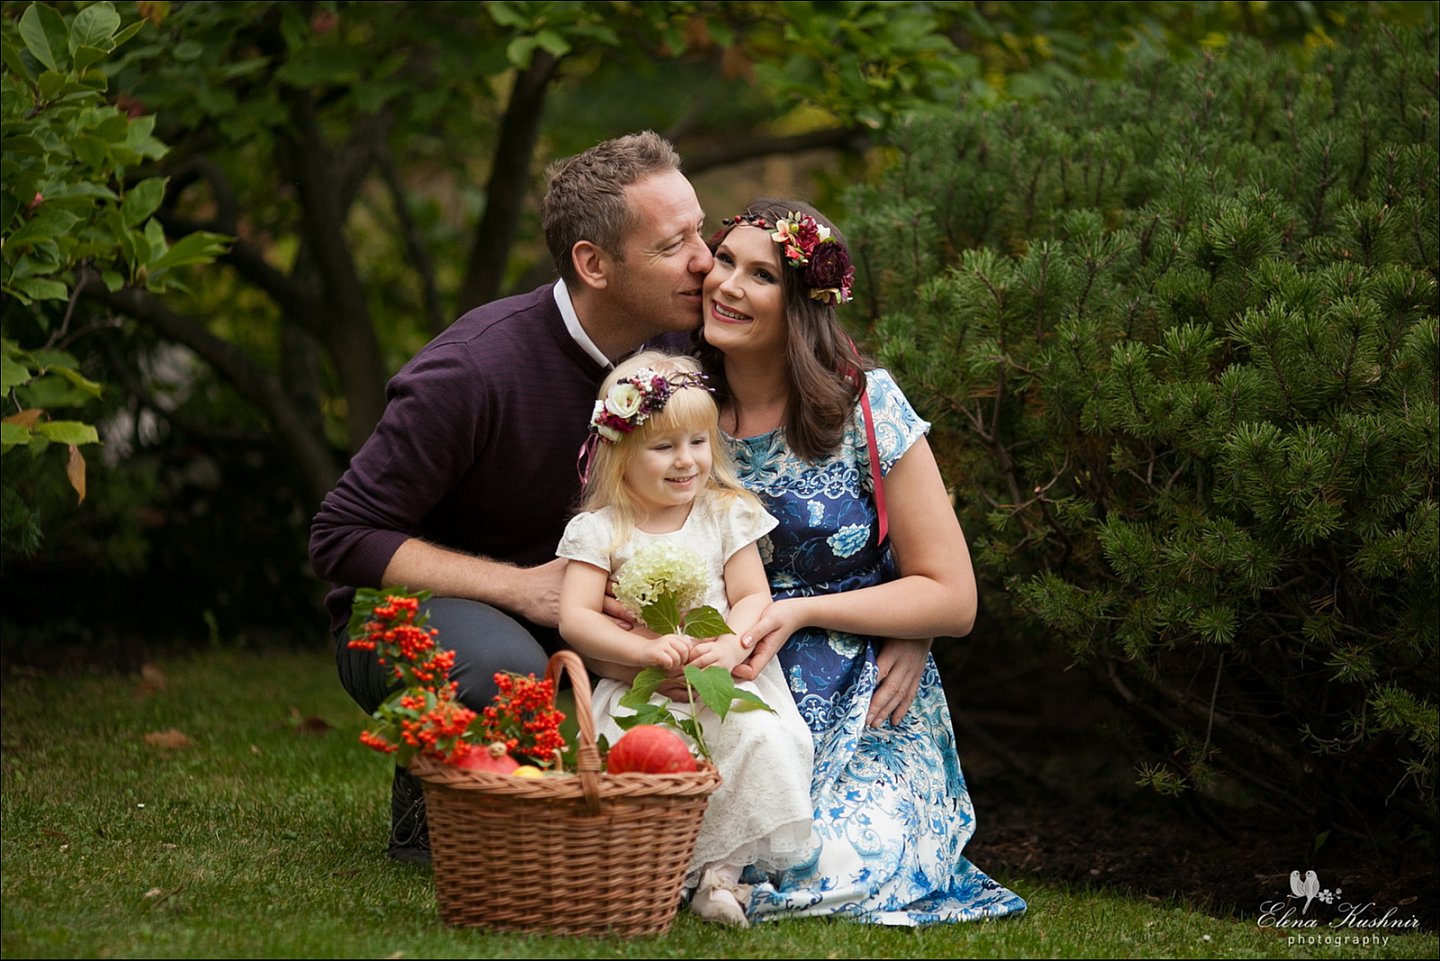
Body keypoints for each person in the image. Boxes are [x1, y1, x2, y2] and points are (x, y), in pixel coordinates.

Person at [308, 131, 712, 863]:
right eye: (672, 244)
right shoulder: (473, 370)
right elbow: (341, 536)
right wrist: (525, 589)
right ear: (593, 264)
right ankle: (439, 797)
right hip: (431, 617)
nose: (704, 260)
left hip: (598, 607)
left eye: (700, 231)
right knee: (504, 668)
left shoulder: (685, 345)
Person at [696, 200, 1028, 924]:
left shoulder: (864, 407)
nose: (728, 285)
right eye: (724, 261)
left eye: (761, 275)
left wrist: (811, 611)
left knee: (841, 863)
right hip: (728, 681)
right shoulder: (680, 406)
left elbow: (953, 594)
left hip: (863, 694)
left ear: (803, 305)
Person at [556, 351, 816, 929]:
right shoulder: (600, 530)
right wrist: (643, 651)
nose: (686, 460)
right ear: (620, 452)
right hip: (643, 687)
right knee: (648, 757)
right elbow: (575, 618)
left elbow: (753, 596)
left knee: (757, 740)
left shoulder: (724, 513)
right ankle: (657, 871)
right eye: (663, 446)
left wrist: (731, 644)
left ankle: (721, 878)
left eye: (698, 442)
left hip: (721, 680)